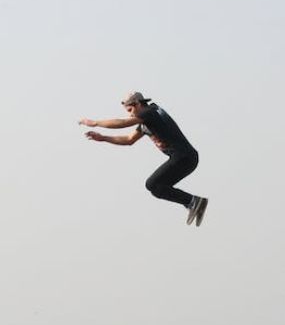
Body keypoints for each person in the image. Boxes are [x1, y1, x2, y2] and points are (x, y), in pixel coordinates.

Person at [79, 92, 208, 226]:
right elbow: (129, 139)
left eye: (130, 110)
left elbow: (122, 123)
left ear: (138, 104)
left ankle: (193, 201)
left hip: (184, 157)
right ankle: (192, 202)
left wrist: (95, 123)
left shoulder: (150, 112)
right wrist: (104, 138)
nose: (130, 115)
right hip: (185, 159)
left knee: (153, 184)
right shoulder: (146, 122)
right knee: (157, 187)